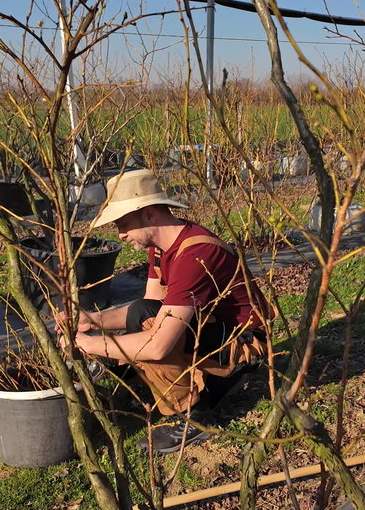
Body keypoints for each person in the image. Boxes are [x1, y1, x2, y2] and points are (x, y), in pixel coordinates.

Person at [60, 168, 269, 454]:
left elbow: (158, 344)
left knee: (153, 336)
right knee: (143, 314)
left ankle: (195, 417)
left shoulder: (194, 255)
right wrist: (93, 319)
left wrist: (89, 344)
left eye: (124, 224)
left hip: (245, 343)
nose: (120, 235)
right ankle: (200, 386)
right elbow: (147, 308)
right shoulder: (161, 246)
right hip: (215, 329)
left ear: (149, 214)